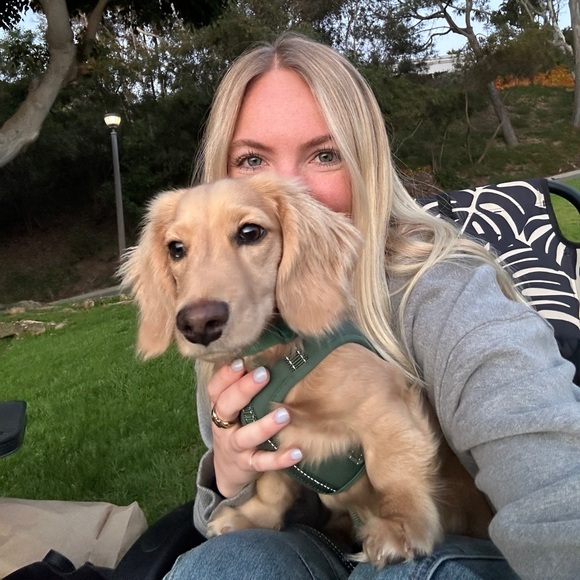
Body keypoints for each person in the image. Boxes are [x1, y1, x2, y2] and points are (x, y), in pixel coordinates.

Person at [164, 33, 580, 579]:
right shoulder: (225, 312)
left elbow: (555, 483)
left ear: (367, 166)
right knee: (229, 564)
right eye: (252, 159)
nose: (287, 190)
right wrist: (231, 477)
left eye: (325, 154)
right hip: (326, 537)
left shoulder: (445, 292)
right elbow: (228, 515)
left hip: (458, 536)